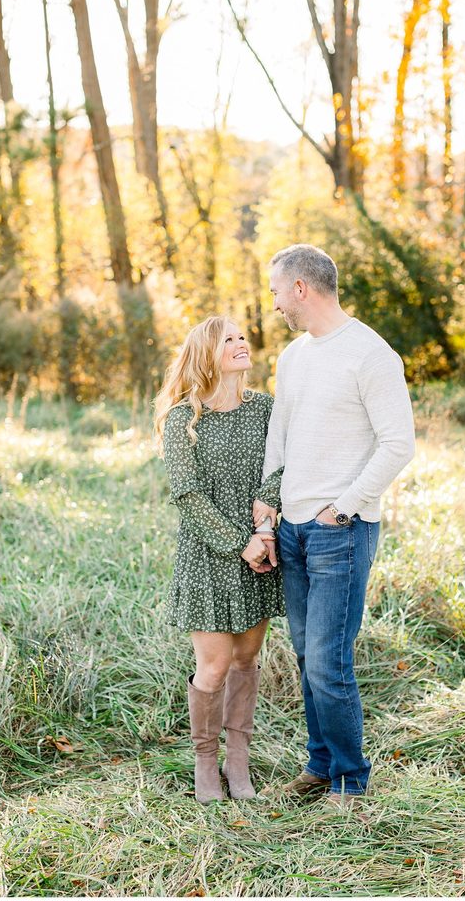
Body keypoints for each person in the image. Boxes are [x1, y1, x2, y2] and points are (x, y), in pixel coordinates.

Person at [253, 244, 415, 814]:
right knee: (304, 653)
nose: (272, 303)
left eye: (276, 290)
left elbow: (399, 443)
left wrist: (344, 506)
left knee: (329, 659)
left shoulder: (371, 354)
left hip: (340, 530)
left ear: (301, 288)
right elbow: (281, 435)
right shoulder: (294, 357)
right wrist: (267, 503)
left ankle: (351, 779)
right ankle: (319, 765)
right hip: (293, 528)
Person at [154, 316, 285, 804]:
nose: (240, 342)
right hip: (210, 555)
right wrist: (240, 542)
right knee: (214, 666)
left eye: (242, 336)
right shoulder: (181, 419)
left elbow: (283, 465)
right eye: (227, 339)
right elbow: (187, 495)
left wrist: (265, 525)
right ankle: (205, 763)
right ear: (205, 355)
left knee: (247, 659)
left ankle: (238, 760)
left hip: (261, 547)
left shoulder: (267, 410)